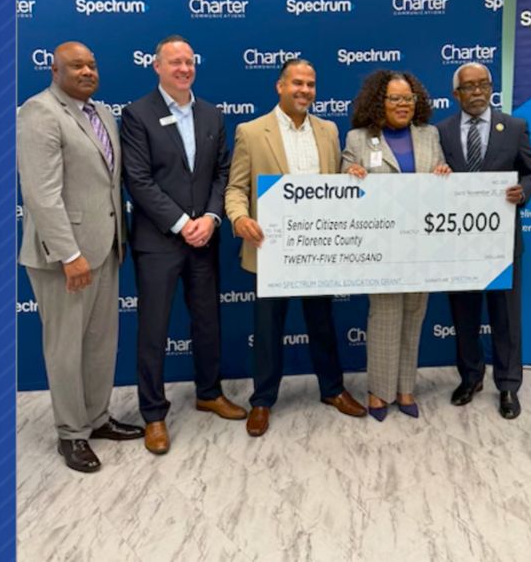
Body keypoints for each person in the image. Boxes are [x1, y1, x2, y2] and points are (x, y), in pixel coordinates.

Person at [17, 41, 144, 473]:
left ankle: (97, 417)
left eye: (92, 64)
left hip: (106, 247)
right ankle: (71, 434)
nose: (87, 71)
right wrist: (69, 255)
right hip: (65, 256)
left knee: (99, 342)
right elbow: (41, 194)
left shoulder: (103, 114)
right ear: (54, 70)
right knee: (66, 347)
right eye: (77, 65)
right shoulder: (39, 112)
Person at [225, 58, 368, 437]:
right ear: (280, 86)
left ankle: (332, 390)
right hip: (270, 248)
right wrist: (239, 219)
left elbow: (334, 183)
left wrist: (349, 174)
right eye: (297, 84)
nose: (305, 90)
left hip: (316, 247)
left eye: (311, 84)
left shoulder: (328, 130)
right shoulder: (251, 131)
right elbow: (236, 188)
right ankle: (262, 401)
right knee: (268, 327)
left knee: (322, 322)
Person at [120, 34, 245, 455]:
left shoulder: (212, 115)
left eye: (189, 62)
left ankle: (209, 392)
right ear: (156, 66)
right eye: (174, 62)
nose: (183, 69)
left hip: (205, 237)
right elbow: (137, 179)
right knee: (153, 329)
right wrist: (180, 223)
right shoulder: (137, 114)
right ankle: (153, 414)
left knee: (208, 321)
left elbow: (221, 174)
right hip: (159, 241)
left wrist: (210, 218)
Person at [435, 62, 531, 419]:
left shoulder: (514, 127)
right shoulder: (442, 132)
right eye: (470, 86)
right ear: (456, 94)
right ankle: (470, 377)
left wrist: (522, 192)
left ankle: (509, 386)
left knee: (506, 317)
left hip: (502, 243)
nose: (479, 91)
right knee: (464, 315)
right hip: (458, 244)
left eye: (484, 84)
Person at [342, 69, 451, 421]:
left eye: (408, 98)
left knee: (414, 315)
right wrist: (350, 175)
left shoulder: (429, 135)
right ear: (379, 101)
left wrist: (444, 174)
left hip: (422, 247)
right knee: (385, 317)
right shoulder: (359, 138)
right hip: (381, 248)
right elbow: (343, 176)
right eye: (395, 98)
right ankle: (379, 391)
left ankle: (406, 389)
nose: (403, 105)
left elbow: (441, 174)